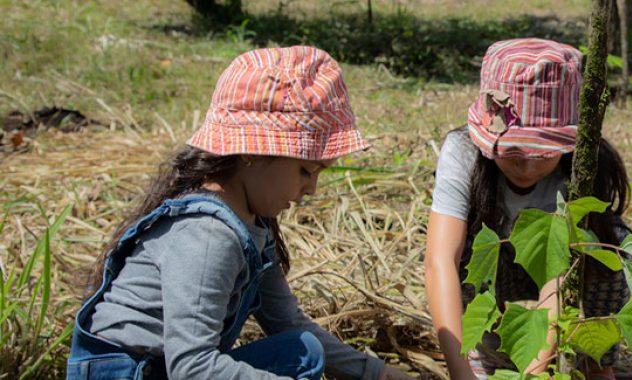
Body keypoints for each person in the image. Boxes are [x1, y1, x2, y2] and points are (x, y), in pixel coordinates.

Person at [67, 46, 411, 380]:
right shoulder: (208, 236)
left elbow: (286, 321)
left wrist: (375, 372)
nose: (311, 190)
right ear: (252, 153)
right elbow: (193, 367)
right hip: (131, 371)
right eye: (306, 171)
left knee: (303, 350)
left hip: (163, 367)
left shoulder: (252, 224)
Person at [424, 38, 632, 380]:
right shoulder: (463, 154)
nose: (525, 167)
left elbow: (559, 278)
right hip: (496, 266)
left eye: (539, 152)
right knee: (474, 262)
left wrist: (532, 374)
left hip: (569, 276)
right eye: (512, 150)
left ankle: (596, 365)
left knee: (607, 255)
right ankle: (483, 351)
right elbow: (440, 261)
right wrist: (460, 372)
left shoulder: (582, 170)